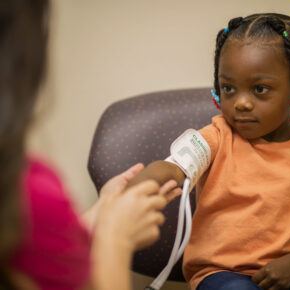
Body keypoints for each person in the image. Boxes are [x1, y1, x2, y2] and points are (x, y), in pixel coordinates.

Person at [126, 13, 290, 290]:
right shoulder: (216, 137)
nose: (241, 103)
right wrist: (144, 183)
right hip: (222, 274)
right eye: (228, 88)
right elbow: (175, 167)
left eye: (259, 89)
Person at [0, 1, 181, 289]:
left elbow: (37, 252)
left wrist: (101, 213)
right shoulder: (28, 191)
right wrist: (115, 239)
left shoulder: (24, 196)